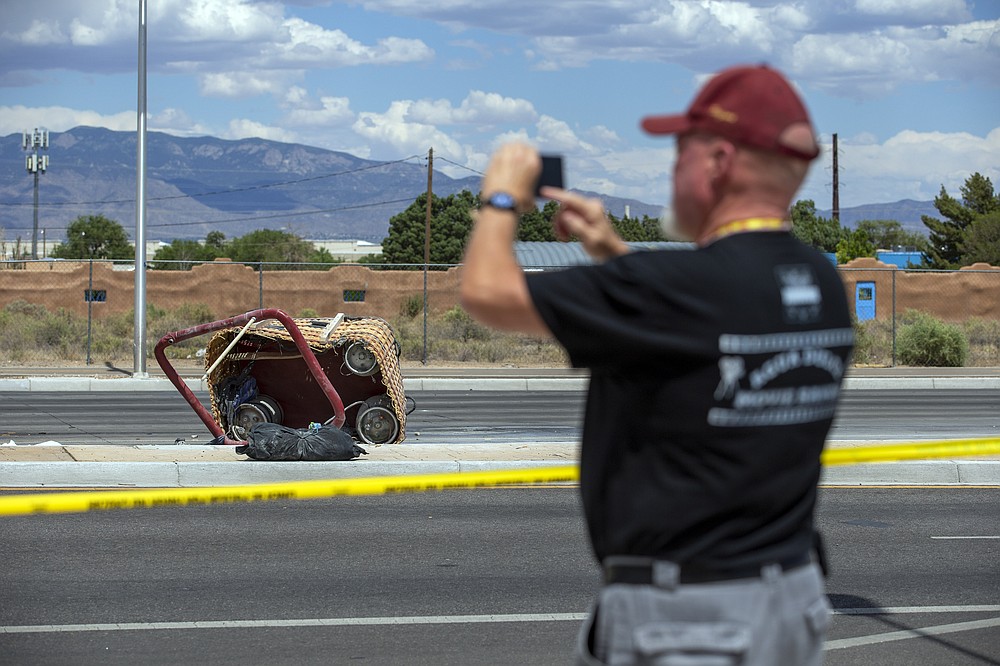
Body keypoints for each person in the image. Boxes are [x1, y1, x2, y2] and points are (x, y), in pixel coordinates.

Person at [461, 64, 853, 665]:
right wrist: (613, 254)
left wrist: (502, 194)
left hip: (689, 624)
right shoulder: (822, 282)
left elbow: (488, 292)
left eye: (680, 155)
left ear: (719, 161)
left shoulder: (674, 289)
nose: (672, 172)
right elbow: (700, 326)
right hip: (789, 605)